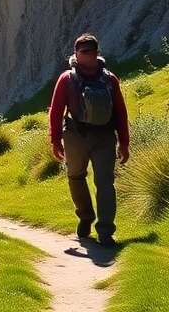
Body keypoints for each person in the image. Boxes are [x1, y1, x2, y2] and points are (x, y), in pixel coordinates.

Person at [49, 33, 130, 246]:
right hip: (76, 136)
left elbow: (120, 112)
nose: (88, 55)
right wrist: (55, 140)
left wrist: (124, 143)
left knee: (104, 183)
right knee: (76, 177)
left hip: (102, 137)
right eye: (84, 51)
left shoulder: (109, 79)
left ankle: (105, 231)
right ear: (76, 53)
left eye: (91, 51)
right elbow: (56, 111)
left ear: (97, 52)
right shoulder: (67, 79)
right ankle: (85, 216)